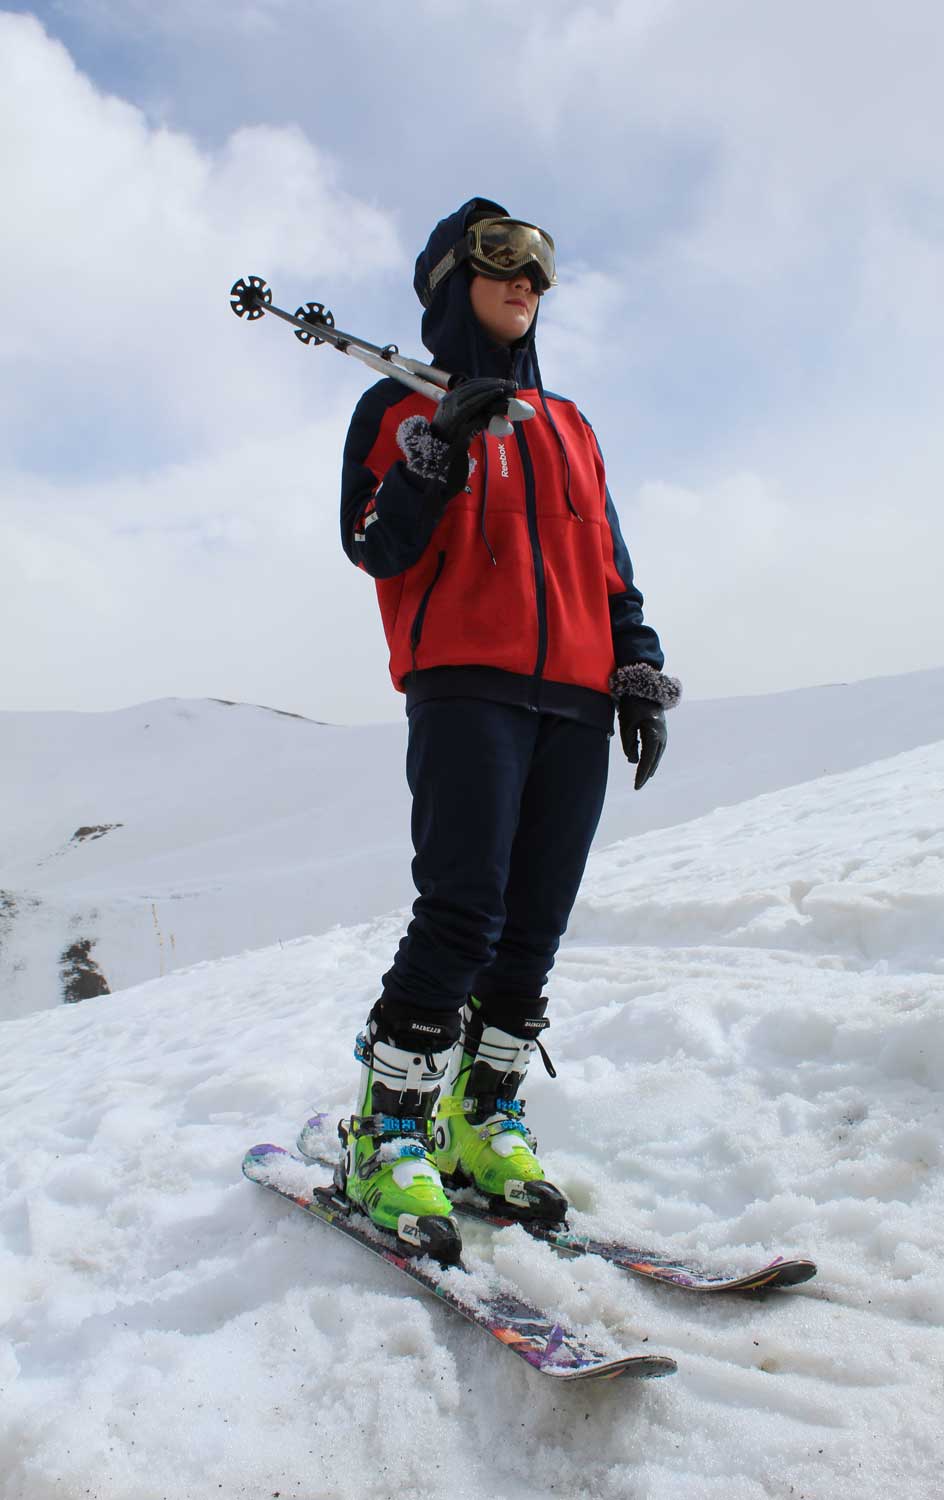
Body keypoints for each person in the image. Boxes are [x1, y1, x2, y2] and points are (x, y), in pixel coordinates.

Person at [338, 197, 681, 1263]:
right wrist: (439, 446)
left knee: (533, 923)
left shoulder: (570, 426)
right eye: (499, 261)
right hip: (466, 684)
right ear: (452, 283)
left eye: (538, 264)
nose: (524, 280)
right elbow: (375, 549)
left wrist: (635, 666)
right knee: (463, 910)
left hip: (574, 696)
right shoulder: (395, 408)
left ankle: (481, 1122)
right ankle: (387, 1130)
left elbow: (610, 566)